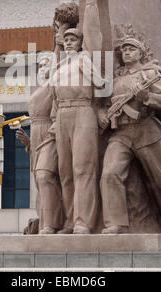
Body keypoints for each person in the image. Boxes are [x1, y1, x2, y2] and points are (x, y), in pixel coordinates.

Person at [98, 36, 161, 238]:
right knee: (109, 174)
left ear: (140, 53)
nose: (127, 52)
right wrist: (102, 116)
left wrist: (146, 97)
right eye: (124, 50)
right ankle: (116, 223)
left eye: (131, 49)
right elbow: (105, 106)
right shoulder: (116, 79)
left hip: (146, 130)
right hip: (121, 133)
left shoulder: (151, 74)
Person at [49, 27, 105, 235]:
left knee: (83, 169)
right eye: (66, 39)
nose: (69, 42)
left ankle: (84, 221)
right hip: (63, 113)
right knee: (65, 172)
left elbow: (101, 85)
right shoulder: (61, 65)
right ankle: (70, 221)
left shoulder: (84, 60)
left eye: (73, 39)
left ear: (80, 42)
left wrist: (99, 109)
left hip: (83, 110)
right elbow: (54, 96)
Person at [16, 54, 63, 234]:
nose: (42, 68)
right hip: (36, 133)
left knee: (46, 177)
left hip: (50, 132)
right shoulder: (38, 90)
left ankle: (52, 223)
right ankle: (45, 220)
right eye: (40, 65)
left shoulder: (55, 87)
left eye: (46, 65)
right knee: (40, 182)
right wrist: (29, 142)